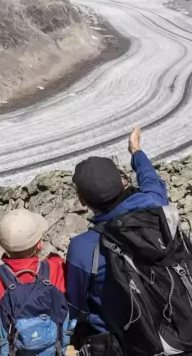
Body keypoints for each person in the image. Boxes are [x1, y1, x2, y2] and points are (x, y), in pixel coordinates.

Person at [65, 127, 169, 355]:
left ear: (83, 201)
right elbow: (151, 180)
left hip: (123, 342)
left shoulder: (82, 248)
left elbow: (75, 306)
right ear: (123, 184)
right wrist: (136, 150)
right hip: (172, 324)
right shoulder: (156, 207)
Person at [0, 208, 66, 353]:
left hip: (9, 345)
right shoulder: (54, 268)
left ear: (2, 245)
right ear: (39, 244)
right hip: (48, 341)